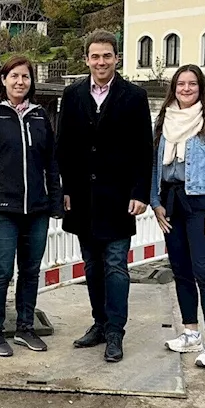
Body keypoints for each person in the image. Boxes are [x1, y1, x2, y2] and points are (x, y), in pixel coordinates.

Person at [55, 30, 154, 362]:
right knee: (93, 266)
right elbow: (63, 148)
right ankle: (99, 323)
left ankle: (115, 332)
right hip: (82, 198)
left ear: (117, 59)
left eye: (107, 56)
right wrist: (65, 189)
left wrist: (140, 192)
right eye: (95, 56)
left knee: (115, 265)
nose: (101, 62)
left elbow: (144, 150)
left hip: (118, 198)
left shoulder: (135, 96)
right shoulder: (72, 95)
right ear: (86, 59)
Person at [0, 55, 62, 357]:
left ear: (31, 82)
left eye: (25, 77)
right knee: (1, 271)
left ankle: (25, 327)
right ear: (3, 80)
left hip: (36, 208)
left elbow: (51, 162)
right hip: (1, 209)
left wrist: (55, 200)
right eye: (14, 76)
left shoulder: (40, 117)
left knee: (31, 270)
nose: (20, 82)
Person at [150, 64, 205, 369]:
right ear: (174, 88)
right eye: (181, 84)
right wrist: (155, 202)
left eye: (192, 84)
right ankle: (190, 332)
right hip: (171, 203)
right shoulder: (163, 122)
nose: (186, 89)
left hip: (201, 204)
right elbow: (155, 166)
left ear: (201, 89)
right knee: (181, 270)